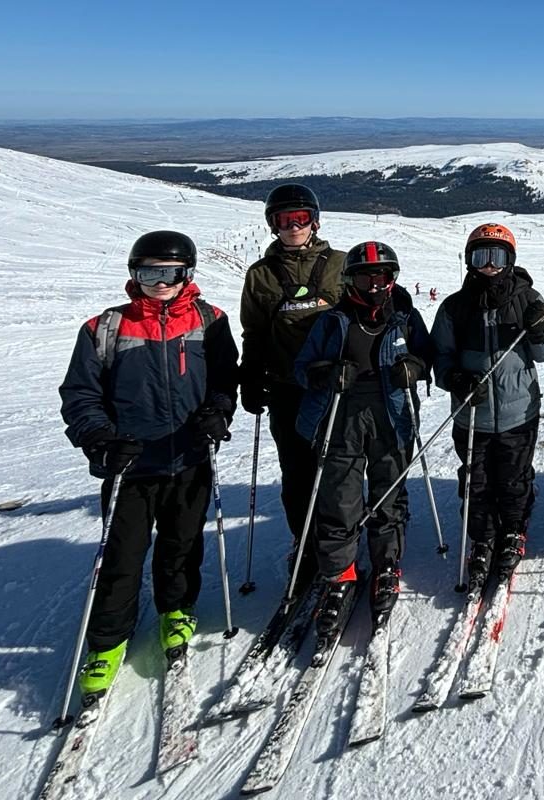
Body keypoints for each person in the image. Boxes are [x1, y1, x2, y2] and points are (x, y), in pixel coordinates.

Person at [58, 231, 238, 697]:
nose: (160, 283)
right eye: (149, 273)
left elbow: (224, 377)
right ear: (133, 275)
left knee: (182, 543)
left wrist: (218, 409)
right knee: (122, 555)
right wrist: (99, 440)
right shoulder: (105, 329)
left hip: (190, 456)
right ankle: (106, 641)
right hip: (130, 466)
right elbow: (80, 395)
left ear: (187, 275)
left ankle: (176, 607)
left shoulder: (209, 320)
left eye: (170, 273)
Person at [292, 241, 434, 634]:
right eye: (365, 276)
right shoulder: (332, 321)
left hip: (391, 412)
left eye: (383, 276)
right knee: (340, 495)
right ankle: (340, 573)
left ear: (393, 279)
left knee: (389, 491)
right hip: (343, 413)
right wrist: (325, 373)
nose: (374, 284)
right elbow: (301, 368)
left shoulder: (405, 318)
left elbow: (428, 355)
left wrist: (415, 367)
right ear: (350, 279)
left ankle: (386, 563)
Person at [237, 184, 345, 588]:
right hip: (287, 387)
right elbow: (255, 333)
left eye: (300, 218)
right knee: (297, 472)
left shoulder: (339, 264)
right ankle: (305, 543)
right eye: (284, 220)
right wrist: (250, 379)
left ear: (314, 220)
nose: (293, 227)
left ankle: (339, 541)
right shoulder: (261, 275)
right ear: (272, 225)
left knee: (337, 469)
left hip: (335, 387)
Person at [432, 223, 544, 582]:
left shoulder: (527, 299)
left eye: (497, 257)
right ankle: (482, 536)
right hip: (473, 414)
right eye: (480, 257)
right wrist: (455, 379)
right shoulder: (456, 307)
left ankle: (514, 527)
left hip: (519, 410)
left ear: (510, 260)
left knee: (513, 477)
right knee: (476, 480)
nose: (489, 265)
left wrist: (538, 330)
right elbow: (441, 355)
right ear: (470, 261)